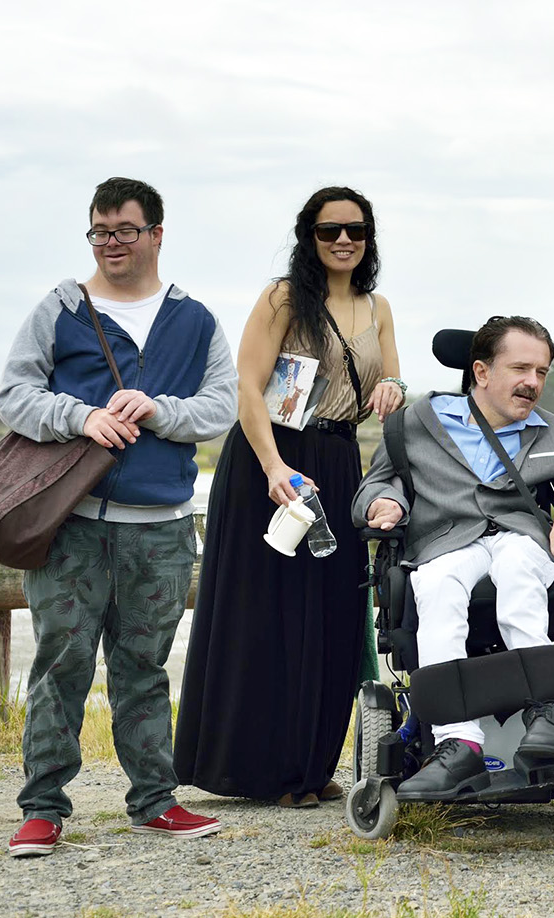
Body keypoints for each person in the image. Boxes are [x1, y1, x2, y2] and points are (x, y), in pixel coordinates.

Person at [0, 177, 237, 857]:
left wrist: (159, 409)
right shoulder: (61, 308)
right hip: (70, 524)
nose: (111, 244)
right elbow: (14, 396)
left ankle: (154, 803)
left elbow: (220, 408)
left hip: (160, 529)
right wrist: (81, 416)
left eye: (125, 231)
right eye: (100, 232)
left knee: (143, 668)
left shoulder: (196, 320)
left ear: (156, 234)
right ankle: (42, 809)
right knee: (61, 666)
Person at [174, 187, 404, 808]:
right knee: (266, 615)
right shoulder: (282, 298)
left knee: (331, 614)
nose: (343, 242)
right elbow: (248, 388)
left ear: (368, 238)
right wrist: (274, 468)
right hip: (269, 460)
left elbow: (391, 378)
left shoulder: (376, 306)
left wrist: (394, 391)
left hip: (337, 458)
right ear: (309, 237)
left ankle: (308, 766)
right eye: (329, 231)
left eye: (355, 231)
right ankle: (255, 769)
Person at [351, 316, 554, 794]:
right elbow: (375, 484)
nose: (533, 383)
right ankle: (458, 744)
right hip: (446, 539)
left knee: (516, 565)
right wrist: (382, 502)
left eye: (541, 371)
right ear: (482, 372)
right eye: (520, 368)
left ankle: (549, 718)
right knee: (436, 585)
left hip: (521, 539)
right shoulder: (414, 425)